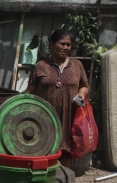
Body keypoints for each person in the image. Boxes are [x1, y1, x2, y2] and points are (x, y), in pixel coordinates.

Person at [25, 29, 89, 167]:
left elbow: (84, 85)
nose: (66, 47)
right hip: (44, 116)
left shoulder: (77, 65)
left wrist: (81, 94)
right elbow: (30, 90)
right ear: (52, 44)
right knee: (42, 148)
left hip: (69, 115)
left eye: (69, 44)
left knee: (65, 150)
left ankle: (62, 182)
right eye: (62, 44)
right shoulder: (41, 66)